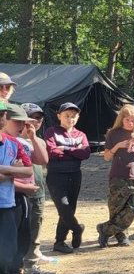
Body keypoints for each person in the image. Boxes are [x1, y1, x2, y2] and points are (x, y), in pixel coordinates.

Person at [4, 104, 49, 274]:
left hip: (21, 197)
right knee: (7, 241)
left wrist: (32, 136)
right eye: (18, 122)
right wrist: (17, 177)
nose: (22, 126)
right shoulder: (7, 142)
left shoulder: (19, 142)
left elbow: (35, 164)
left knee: (21, 238)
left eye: (25, 122)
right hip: (10, 197)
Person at [96, 105, 134, 248]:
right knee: (116, 208)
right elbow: (106, 157)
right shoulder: (113, 133)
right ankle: (121, 237)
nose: (130, 123)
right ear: (121, 119)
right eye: (127, 120)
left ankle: (104, 230)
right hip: (118, 176)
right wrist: (117, 146)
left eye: (133, 120)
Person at [0, 102, 36, 274]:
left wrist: (5, 170)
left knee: (6, 249)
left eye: (3, 114)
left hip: (7, 202)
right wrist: (12, 170)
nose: (1, 117)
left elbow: (28, 171)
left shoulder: (13, 143)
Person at [44, 102, 91, 254]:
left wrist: (65, 149)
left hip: (75, 174)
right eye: (67, 116)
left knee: (70, 208)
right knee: (63, 206)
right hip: (56, 175)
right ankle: (77, 228)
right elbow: (52, 152)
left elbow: (85, 153)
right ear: (59, 116)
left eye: (73, 116)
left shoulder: (80, 134)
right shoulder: (52, 132)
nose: (70, 119)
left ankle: (59, 241)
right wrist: (74, 151)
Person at [19, 103, 56, 274]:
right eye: (32, 118)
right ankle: (20, 266)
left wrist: (34, 138)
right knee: (20, 230)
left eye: (39, 118)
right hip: (20, 193)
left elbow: (43, 161)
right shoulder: (12, 139)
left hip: (38, 192)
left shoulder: (39, 140)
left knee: (36, 228)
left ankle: (32, 262)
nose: (36, 121)